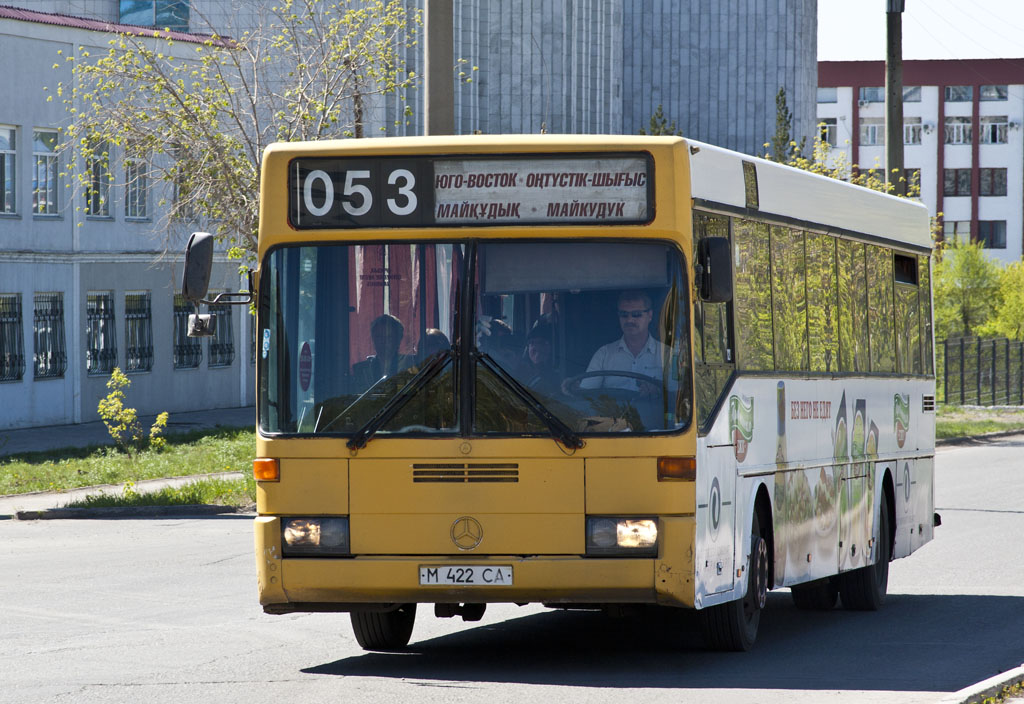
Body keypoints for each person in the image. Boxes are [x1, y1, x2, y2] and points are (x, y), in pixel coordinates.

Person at [581, 290, 668, 395]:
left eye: (636, 314)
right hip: (611, 411)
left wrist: (659, 391)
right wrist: (574, 388)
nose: (629, 320)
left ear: (650, 315)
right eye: (624, 315)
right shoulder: (604, 354)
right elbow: (586, 394)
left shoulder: (668, 354)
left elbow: (677, 397)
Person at [352, 314, 414, 389]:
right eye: (379, 337)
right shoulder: (360, 370)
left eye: (389, 337)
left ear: (399, 339)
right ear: (373, 339)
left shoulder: (411, 365)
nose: (383, 342)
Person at [516, 320, 560, 394]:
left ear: (553, 347)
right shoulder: (520, 373)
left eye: (542, 343)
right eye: (532, 343)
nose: (536, 347)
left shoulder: (560, 376)